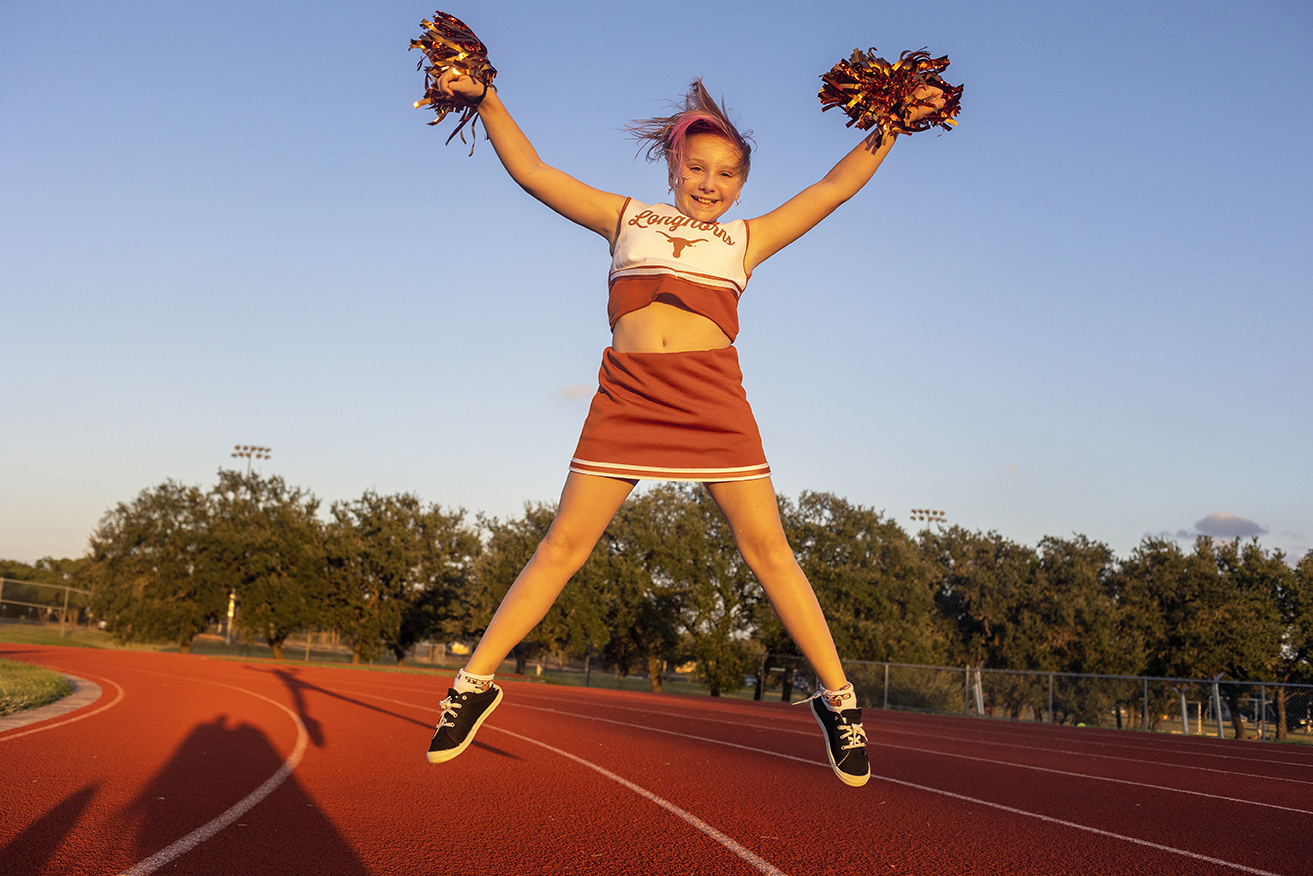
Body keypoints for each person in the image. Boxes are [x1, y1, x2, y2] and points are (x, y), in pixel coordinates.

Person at [425, 67, 945, 787]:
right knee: (562, 546)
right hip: (628, 394)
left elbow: (832, 188)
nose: (709, 182)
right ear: (672, 166)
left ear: (741, 183)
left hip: (710, 400)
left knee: (768, 550)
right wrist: (485, 98)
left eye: (726, 173)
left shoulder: (744, 239)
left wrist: (892, 121)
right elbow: (534, 172)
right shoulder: (625, 217)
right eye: (697, 167)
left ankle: (839, 700)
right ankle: (472, 684)